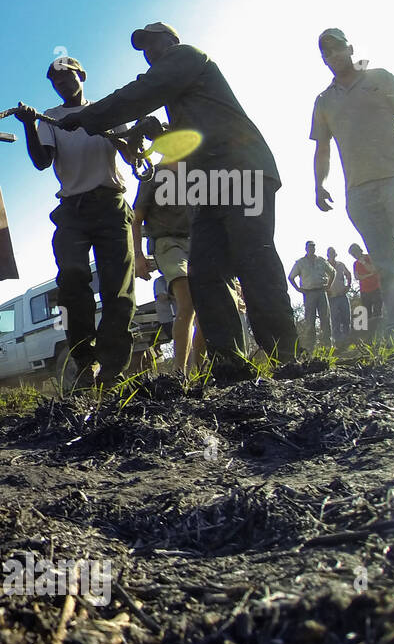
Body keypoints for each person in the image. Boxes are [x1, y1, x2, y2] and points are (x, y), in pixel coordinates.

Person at [57, 23, 298, 380]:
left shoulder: (188, 57)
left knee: (253, 257)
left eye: (153, 45)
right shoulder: (181, 86)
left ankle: (287, 356)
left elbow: (143, 91)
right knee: (204, 272)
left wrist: (87, 117)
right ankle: (230, 363)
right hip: (210, 181)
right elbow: (191, 127)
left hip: (241, 168)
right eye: (144, 50)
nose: (149, 54)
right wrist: (158, 131)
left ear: (172, 41)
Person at [14, 55, 135, 388]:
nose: (62, 84)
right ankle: (84, 362)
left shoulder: (108, 110)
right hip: (73, 211)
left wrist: (107, 127)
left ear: (81, 75)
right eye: (56, 81)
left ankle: (113, 369)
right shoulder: (49, 118)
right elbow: (41, 162)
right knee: (72, 280)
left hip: (111, 205)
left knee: (117, 288)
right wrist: (28, 125)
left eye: (68, 77)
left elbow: (129, 152)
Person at [311, 28, 394, 346]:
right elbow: (323, 149)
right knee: (385, 263)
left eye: (338, 49)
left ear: (350, 48)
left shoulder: (380, 78)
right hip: (358, 192)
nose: (333, 56)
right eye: (326, 53)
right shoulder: (324, 101)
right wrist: (320, 185)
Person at [133, 158, 201, 374]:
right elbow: (136, 219)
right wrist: (138, 256)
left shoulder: (192, 174)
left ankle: (198, 372)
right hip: (166, 242)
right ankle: (179, 374)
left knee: (207, 308)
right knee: (187, 301)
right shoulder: (152, 175)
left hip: (195, 242)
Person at [288, 241, 335, 349]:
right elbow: (291, 277)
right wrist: (298, 289)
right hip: (308, 293)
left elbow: (333, 272)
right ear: (306, 248)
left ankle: (328, 345)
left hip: (321, 291)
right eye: (310, 247)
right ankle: (311, 346)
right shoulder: (300, 262)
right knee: (310, 320)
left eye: (313, 247)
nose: (311, 249)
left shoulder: (321, 260)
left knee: (325, 319)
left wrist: (328, 286)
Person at [350, 242, 382, 333]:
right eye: (352, 254)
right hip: (364, 291)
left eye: (354, 253)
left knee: (377, 313)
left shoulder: (369, 257)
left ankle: (378, 333)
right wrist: (369, 275)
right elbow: (357, 277)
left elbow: (374, 269)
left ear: (359, 250)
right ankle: (369, 336)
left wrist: (364, 262)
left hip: (376, 289)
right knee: (367, 314)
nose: (354, 256)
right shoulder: (355, 264)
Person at [325, 246, 352, 340]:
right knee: (335, 320)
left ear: (335, 254)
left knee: (346, 318)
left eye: (333, 252)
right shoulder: (324, 265)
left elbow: (348, 274)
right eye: (330, 253)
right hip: (331, 297)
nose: (332, 254)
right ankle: (337, 341)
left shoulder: (340, 265)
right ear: (328, 255)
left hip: (342, 295)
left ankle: (348, 339)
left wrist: (348, 286)